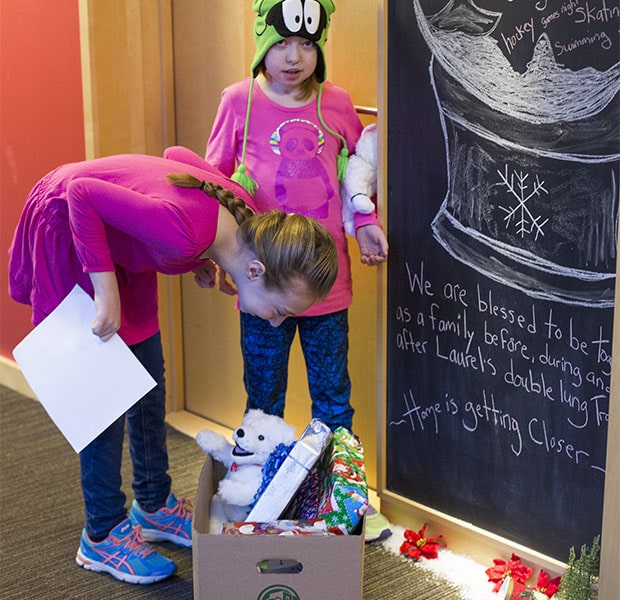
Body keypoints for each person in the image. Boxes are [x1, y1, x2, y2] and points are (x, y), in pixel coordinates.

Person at [7, 150, 338, 584]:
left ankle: (153, 504)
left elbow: (176, 158)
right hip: (72, 228)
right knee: (101, 402)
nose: (277, 322)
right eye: (280, 311)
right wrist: (106, 289)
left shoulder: (240, 226)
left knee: (148, 381)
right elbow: (81, 193)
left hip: (120, 244)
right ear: (256, 270)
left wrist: (201, 259)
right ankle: (101, 534)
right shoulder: (185, 234)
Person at [202, 0, 391, 540]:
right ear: (263, 42)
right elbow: (211, 184)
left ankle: (345, 504)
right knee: (264, 400)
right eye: (282, 43)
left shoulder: (336, 103)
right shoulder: (238, 101)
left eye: (307, 44)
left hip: (326, 291)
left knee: (333, 398)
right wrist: (208, 254)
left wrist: (366, 222)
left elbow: (361, 170)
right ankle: (260, 501)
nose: (294, 57)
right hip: (263, 291)